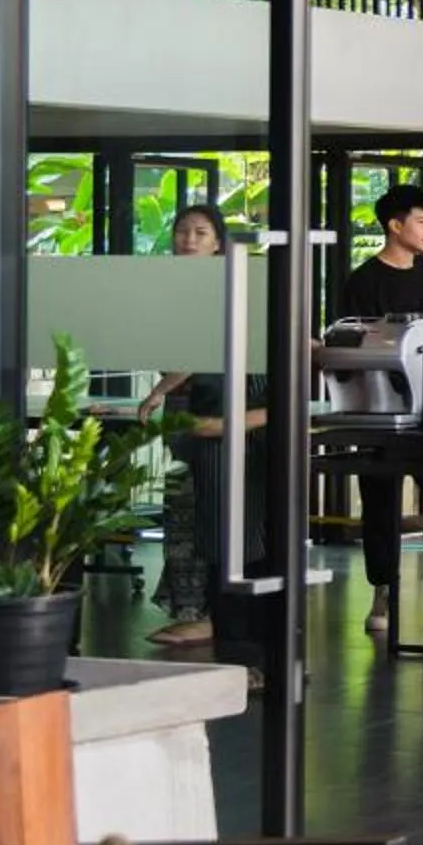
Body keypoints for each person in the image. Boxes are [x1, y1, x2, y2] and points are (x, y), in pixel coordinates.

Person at [340, 184, 423, 637]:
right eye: (420, 221)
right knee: (379, 498)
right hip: (379, 405)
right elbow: (347, 340)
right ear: (394, 225)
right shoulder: (363, 281)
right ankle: (383, 590)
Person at [136, 204, 234, 649]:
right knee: (181, 512)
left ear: (218, 243)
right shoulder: (170, 289)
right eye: (182, 232)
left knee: (203, 513)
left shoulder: (226, 289)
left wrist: (159, 388)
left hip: (216, 410)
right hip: (182, 411)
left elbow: (203, 349)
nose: (188, 240)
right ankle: (191, 609)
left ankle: (207, 613)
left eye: (200, 232)